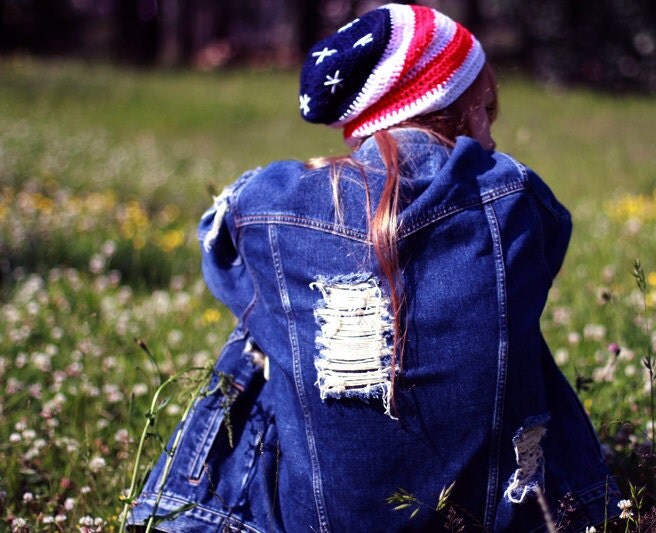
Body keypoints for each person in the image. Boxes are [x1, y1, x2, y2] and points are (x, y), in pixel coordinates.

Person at [127, 4, 620, 532]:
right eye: (486, 112)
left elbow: (224, 265)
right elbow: (549, 251)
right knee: (509, 323)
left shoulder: (270, 200)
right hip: (491, 515)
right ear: (453, 104)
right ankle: (582, 507)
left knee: (264, 331)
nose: (492, 139)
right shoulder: (513, 193)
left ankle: (189, 511)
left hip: (314, 520)